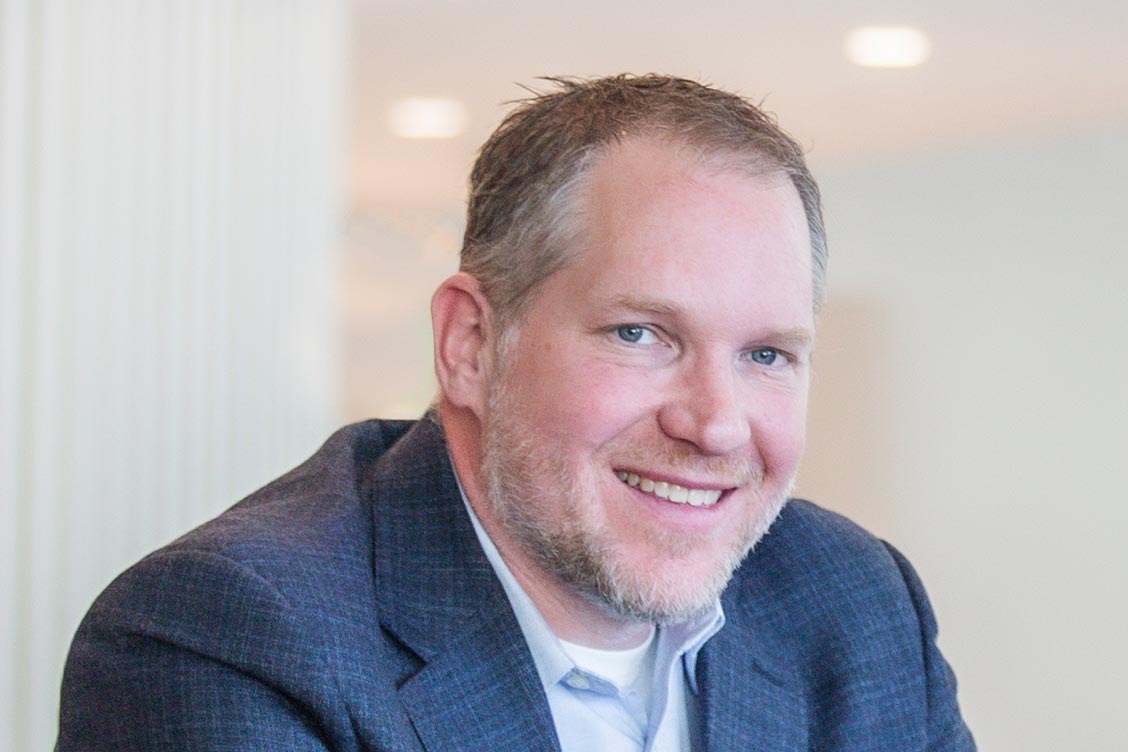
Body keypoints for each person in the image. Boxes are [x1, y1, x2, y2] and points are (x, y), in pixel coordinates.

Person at [58, 74, 974, 751]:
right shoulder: (227, 635)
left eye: (767, 354)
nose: (718, 424)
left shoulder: (855, 603)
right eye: (640, 334)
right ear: (469, 344)